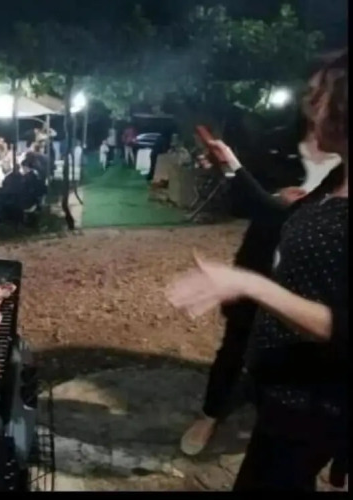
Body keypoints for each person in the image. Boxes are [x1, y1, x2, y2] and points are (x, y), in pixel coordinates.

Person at [167, 49, 348, 491]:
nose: (309, 106)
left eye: (320, 95)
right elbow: (278, 214)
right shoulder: (338, 179)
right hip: (283, 382)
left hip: (315, 397)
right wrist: (233, 166)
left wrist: (251, 284)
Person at [180, 133, 342, 457]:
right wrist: (232, 167)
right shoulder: (279, 139)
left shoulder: (339, 171)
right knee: (237, 343)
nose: (316, 109)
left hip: (310, 293)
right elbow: (253, 204)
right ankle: (212, 413)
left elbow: (335, 327)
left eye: (324, 105)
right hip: (261, 264)